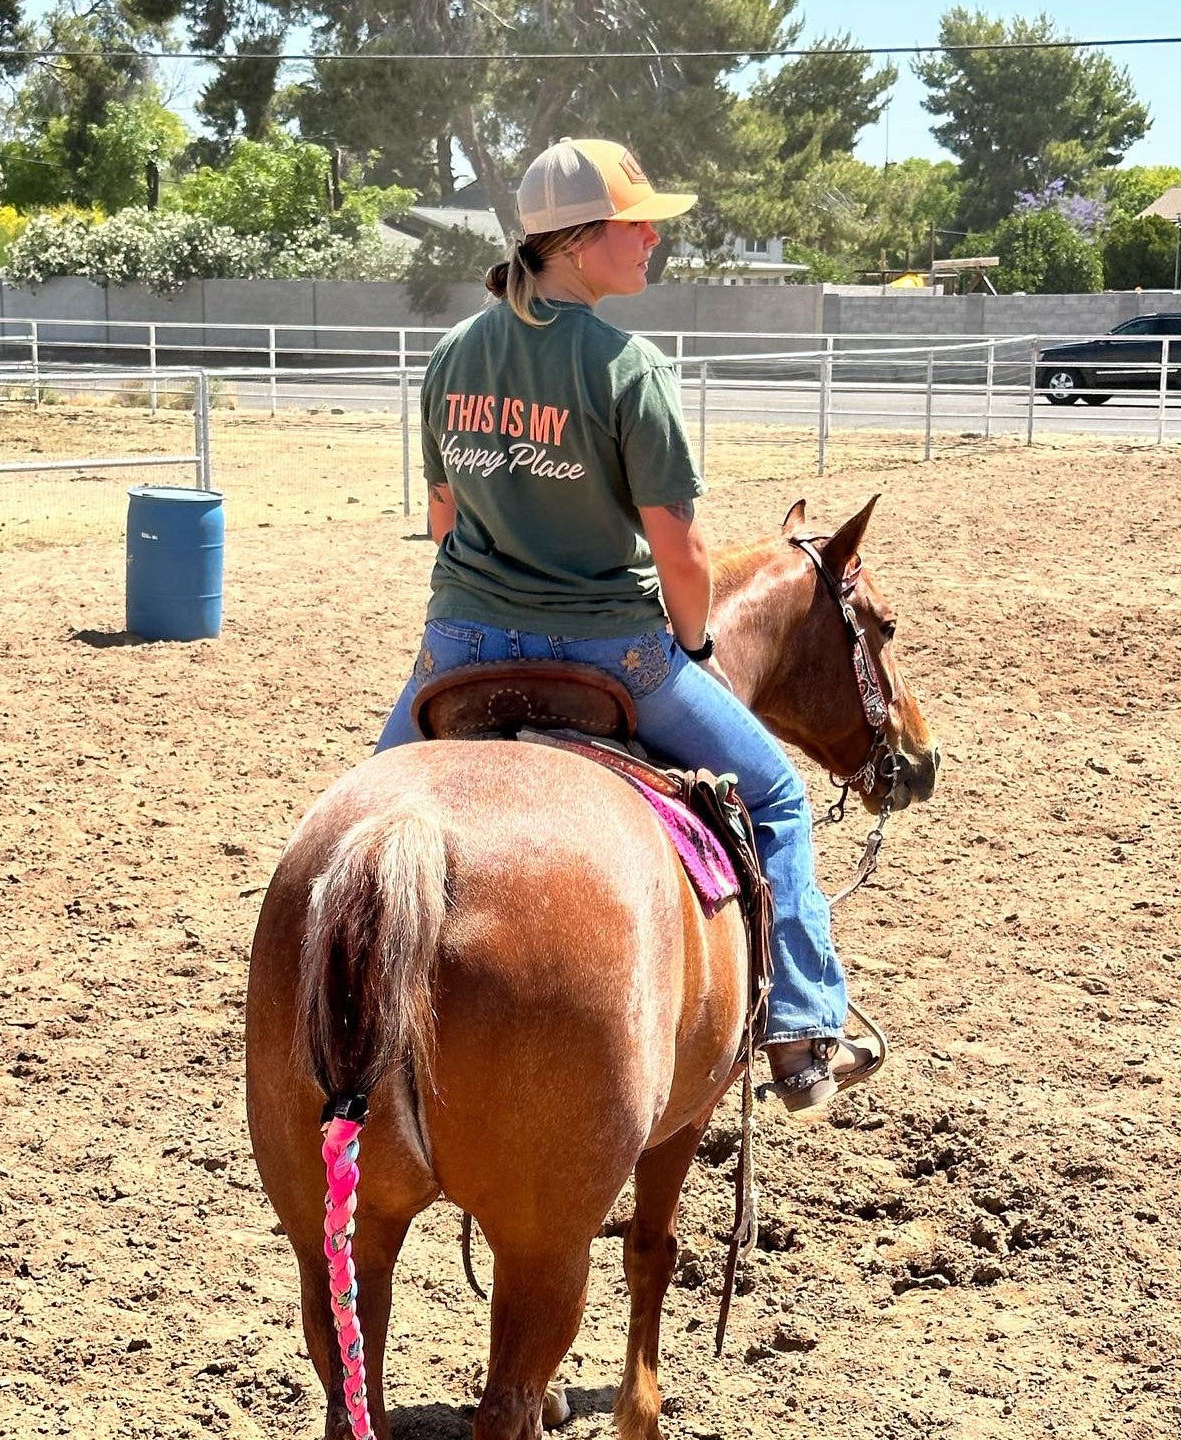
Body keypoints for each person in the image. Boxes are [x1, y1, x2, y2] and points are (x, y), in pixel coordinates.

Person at [374, 137, 882, 1112]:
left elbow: (444, 523)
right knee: (774, 794)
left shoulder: (450, 356)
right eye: (636, 223)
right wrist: (691, 651)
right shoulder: (629, 366)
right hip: (613, 649)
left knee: (357, 818)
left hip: (462, 644)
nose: (652, 238)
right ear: (575, 241)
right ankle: (801, 1027)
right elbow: (683, 556)